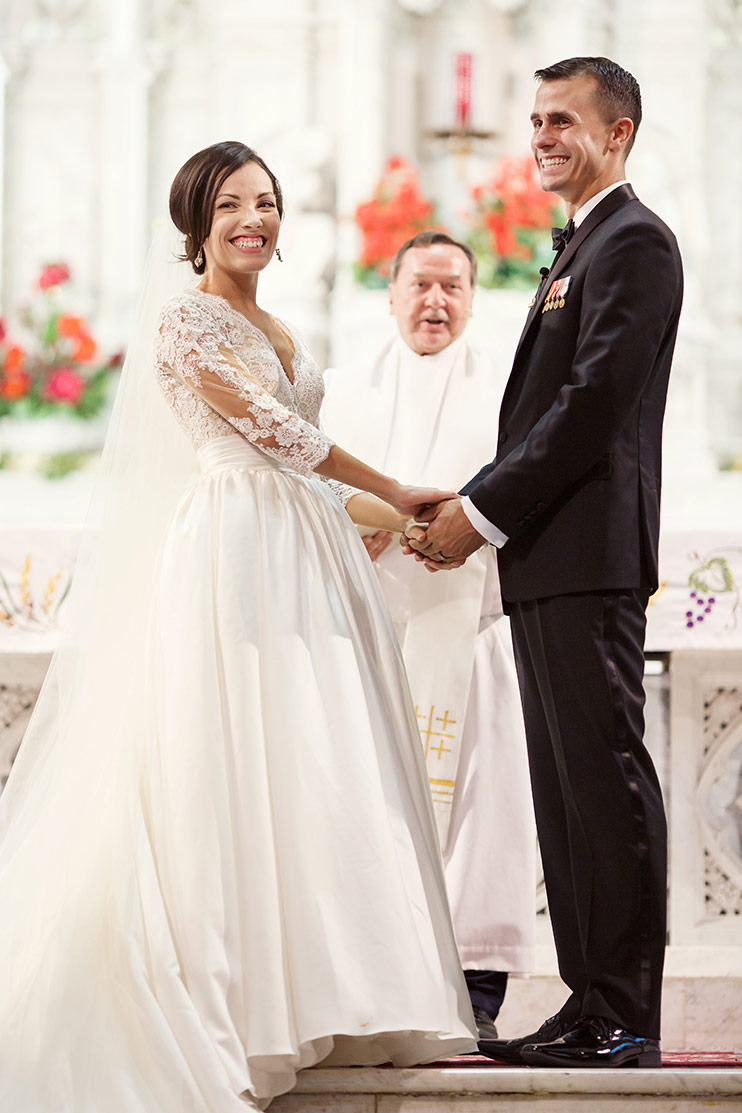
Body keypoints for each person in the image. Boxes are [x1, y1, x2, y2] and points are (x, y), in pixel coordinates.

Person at [0, 141, 477, 1113]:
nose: (252, 219)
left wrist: (412, 526)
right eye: (228, 205)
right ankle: (238, 1000)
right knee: (235, 751)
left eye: (264, 202)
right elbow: (275, 433)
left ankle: (328, 993)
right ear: (195, 223)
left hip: (306, 544)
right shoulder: (185, 319)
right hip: (235, 545)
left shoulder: (280, 326)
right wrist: (394, 486)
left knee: (312, 759)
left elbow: (310, 477)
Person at [405, 57, 683, 1068]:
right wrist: (475, 500)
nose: (542, 137)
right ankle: (587, 1000)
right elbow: (546, 415)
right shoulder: (581, 244)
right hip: (549, 554)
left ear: (618, 132)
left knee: (604, 780)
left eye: (563, 120)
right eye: (535, 121)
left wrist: (480, 511)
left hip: (588, 552)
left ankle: (626, 1014)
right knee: (567, 795)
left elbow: (591, 405)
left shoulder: (634, 240)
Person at [322, 230, 536, 1040]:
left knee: (484, 806)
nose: (436, 301)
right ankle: (372, 979)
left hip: (473, 629)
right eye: (421, 284)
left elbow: (533, 487)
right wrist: (352, 521)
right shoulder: (341, 391)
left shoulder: (512, 389)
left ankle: (477, 984)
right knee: (366, 803)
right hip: (368, 634)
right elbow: (305, 486)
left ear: (474, 300)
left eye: (453, 286)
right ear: (391, 294)